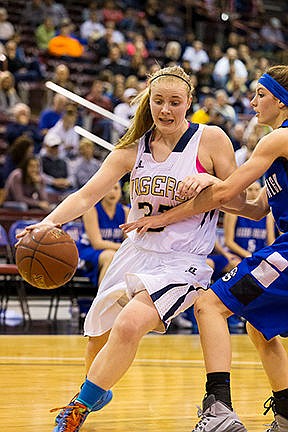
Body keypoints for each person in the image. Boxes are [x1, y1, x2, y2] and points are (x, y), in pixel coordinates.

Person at [16, 65, 244, 432]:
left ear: (189, 103)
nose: (166, 110)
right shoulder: (133, 147)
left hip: (182, 260)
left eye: (174, 102)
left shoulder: (211, 139)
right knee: (97, 340)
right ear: (148, 102)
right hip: (135, 252)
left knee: (129, 323)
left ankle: (76, 410)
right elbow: (87, 194)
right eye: (158, 101)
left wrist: (212, 179)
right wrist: (49, 222)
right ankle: (95, 391)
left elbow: (240, 200)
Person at [121, 64, 288, 431]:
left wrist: (175, 208)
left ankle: (219, 410)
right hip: (284, 246)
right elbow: (257, 208)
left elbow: (228, 191)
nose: (253, 101)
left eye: (260, 95)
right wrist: (215, 188)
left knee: (208, 305)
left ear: (280, 99)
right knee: (259, 327)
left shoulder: (277, 139)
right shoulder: (277, 147)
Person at [77, 182, 129, 287]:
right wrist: (123, 248)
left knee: (129, 258)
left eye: (116, 188)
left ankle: (123, 299)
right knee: (110, 256)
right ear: (102, 192)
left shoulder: (125, 211)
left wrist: (125, 249)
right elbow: (97, 243)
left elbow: (128, 240)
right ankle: (102, 300)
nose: (112, 192)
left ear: (120, 192)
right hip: (89, 251)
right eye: (109, 188)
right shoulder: (91, 210)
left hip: (115, 251)